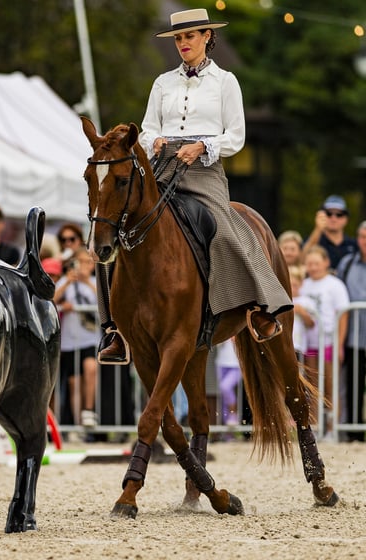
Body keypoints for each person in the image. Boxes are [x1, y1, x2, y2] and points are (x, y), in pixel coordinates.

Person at [97, 8, 292, 364]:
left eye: (190, 36)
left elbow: (236, 136)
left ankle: (258, 306)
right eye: (178, 38)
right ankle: (114, 330)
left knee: (225, 228)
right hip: (162, 167)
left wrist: (203, 146)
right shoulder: (162, 83)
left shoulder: (225, 81)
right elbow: (148, 125)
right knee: (112, 231)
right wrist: (154, 141)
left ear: (206, 37)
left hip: (204, 170)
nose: (183, 43)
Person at [300, 245, 349, 435]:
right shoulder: (304, 285)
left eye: (317, 263)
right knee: (312, 387)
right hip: (308, 342)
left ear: (326, 263)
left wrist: (339, 343)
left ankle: (331, 428)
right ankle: (315, 427)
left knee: (330, 386)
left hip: (327, 341)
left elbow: (343, 315)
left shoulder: (335, 284)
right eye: (310, 264)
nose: (313, 267)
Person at [53, 247, 100, 428]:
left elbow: (105, 301)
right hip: (70, 341)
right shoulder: (67, 282)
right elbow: (52, 298)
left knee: (90, 368)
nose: (84, 267)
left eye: (88, 263)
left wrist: (87, 282)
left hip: (90, 338)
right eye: (80, 262)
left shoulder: (95, 283)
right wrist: (66, 284)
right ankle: (77, 423)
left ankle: (88, 410)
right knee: (74, 383)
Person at [336, 220, 366, 441]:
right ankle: (354, 432)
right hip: (354, 336)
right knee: (353, 384)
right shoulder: (347, 264)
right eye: (363, 237)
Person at [303, 195, 357, 274]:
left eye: (339, 214)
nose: (333, 218)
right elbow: (303, 259)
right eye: (329, 213)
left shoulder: (354, 244)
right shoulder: (314, 239)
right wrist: (318, 229)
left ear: (346, 219)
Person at [289, 265, 316, 364]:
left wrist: (303, 313)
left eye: (295, 285)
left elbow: (312, 324)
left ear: (301, 284)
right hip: (283, 343)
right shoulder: (280, 301)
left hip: (299, 345)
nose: (292, 288)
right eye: (289, 284)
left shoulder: (307, 302)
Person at [214, 337, 241, 430]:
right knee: (223, 396)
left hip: (236, 365)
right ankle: (229, 433)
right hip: (221, 363)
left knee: (225, 387)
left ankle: (233, 413)